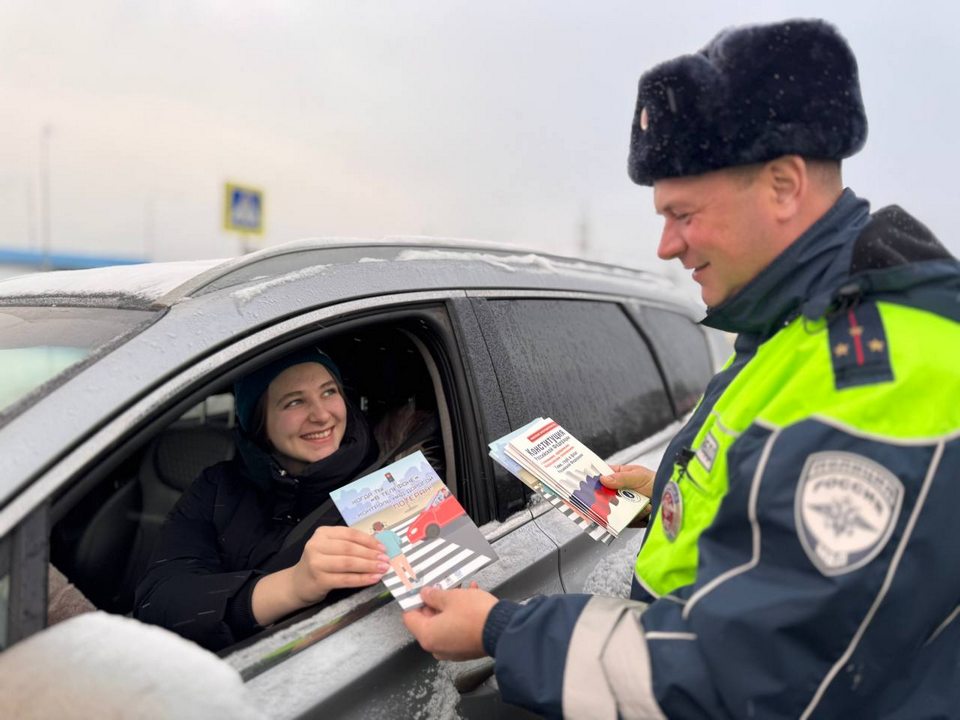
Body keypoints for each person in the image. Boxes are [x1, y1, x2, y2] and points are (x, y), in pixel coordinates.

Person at [404, 18, 960, 719]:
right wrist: (662, 492)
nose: (666, 245)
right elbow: (765, 503)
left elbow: (745, 675)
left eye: (683, 213)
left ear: (784, 185)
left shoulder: (889, 376)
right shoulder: (796, 326)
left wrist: (497, 630)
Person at [136, 347, 402, 651]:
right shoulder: (218, 486)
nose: (321, 414)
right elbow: (157, 602)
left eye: (329, 392)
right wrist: (290, 587)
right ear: (259, 423)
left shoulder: (392, 483)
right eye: (295, 401)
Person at [372, 520, 419, 591]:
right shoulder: (389, 532)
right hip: (399, 553)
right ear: (382, 526)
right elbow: (399, 541)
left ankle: (410, 588)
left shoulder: (376, 538)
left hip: (390, 557)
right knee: (407, 566)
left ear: (375, 530)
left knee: (400, 573)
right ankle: (415, 578)